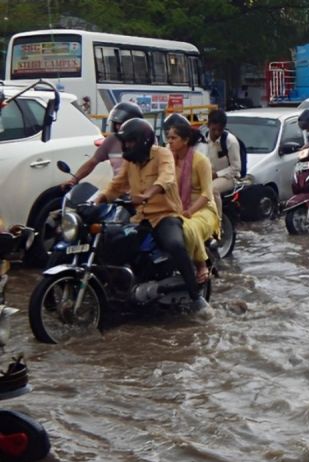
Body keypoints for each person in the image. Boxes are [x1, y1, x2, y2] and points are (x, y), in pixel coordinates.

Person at [93, 118, 210, 316]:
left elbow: (167, 177)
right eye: (125, 142)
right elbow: (117, 185)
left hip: (165, 216)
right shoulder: (130, 162)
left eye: (130, 141)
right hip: (140, 218)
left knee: (175, 245)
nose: (127, 146)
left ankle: (196, 296)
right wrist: (100, 199)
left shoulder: (162, 154)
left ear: (143, 141)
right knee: (112, 242)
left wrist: (148, 194)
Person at [166, 117, 219, 285]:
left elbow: (206, 194)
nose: (169, 142)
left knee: (188, 226)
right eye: (168, 138)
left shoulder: (201, 161)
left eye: (173, 138)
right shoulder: (167, 160)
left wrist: (189, 211)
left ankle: (201, 265)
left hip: (202, 209)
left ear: (186, 140)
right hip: (175, 207)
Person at [61, 102, 143, 188]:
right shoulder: (112, 140)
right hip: (119, 193)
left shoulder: (146, 139)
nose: (118, 127)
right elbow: (92, 162)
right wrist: (74, 180)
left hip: (143, 193)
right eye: (116, 124)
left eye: (121, 124)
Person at [205, 109, 241, 215]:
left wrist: (216, 174)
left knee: (212, 189)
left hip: (229, 177)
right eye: (213, 129)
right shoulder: (202, 140)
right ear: (208, 125)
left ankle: (218, 221)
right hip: (207, 175)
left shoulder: (230, 141)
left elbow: (236, 168)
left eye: (219, 130)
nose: (216, 133)